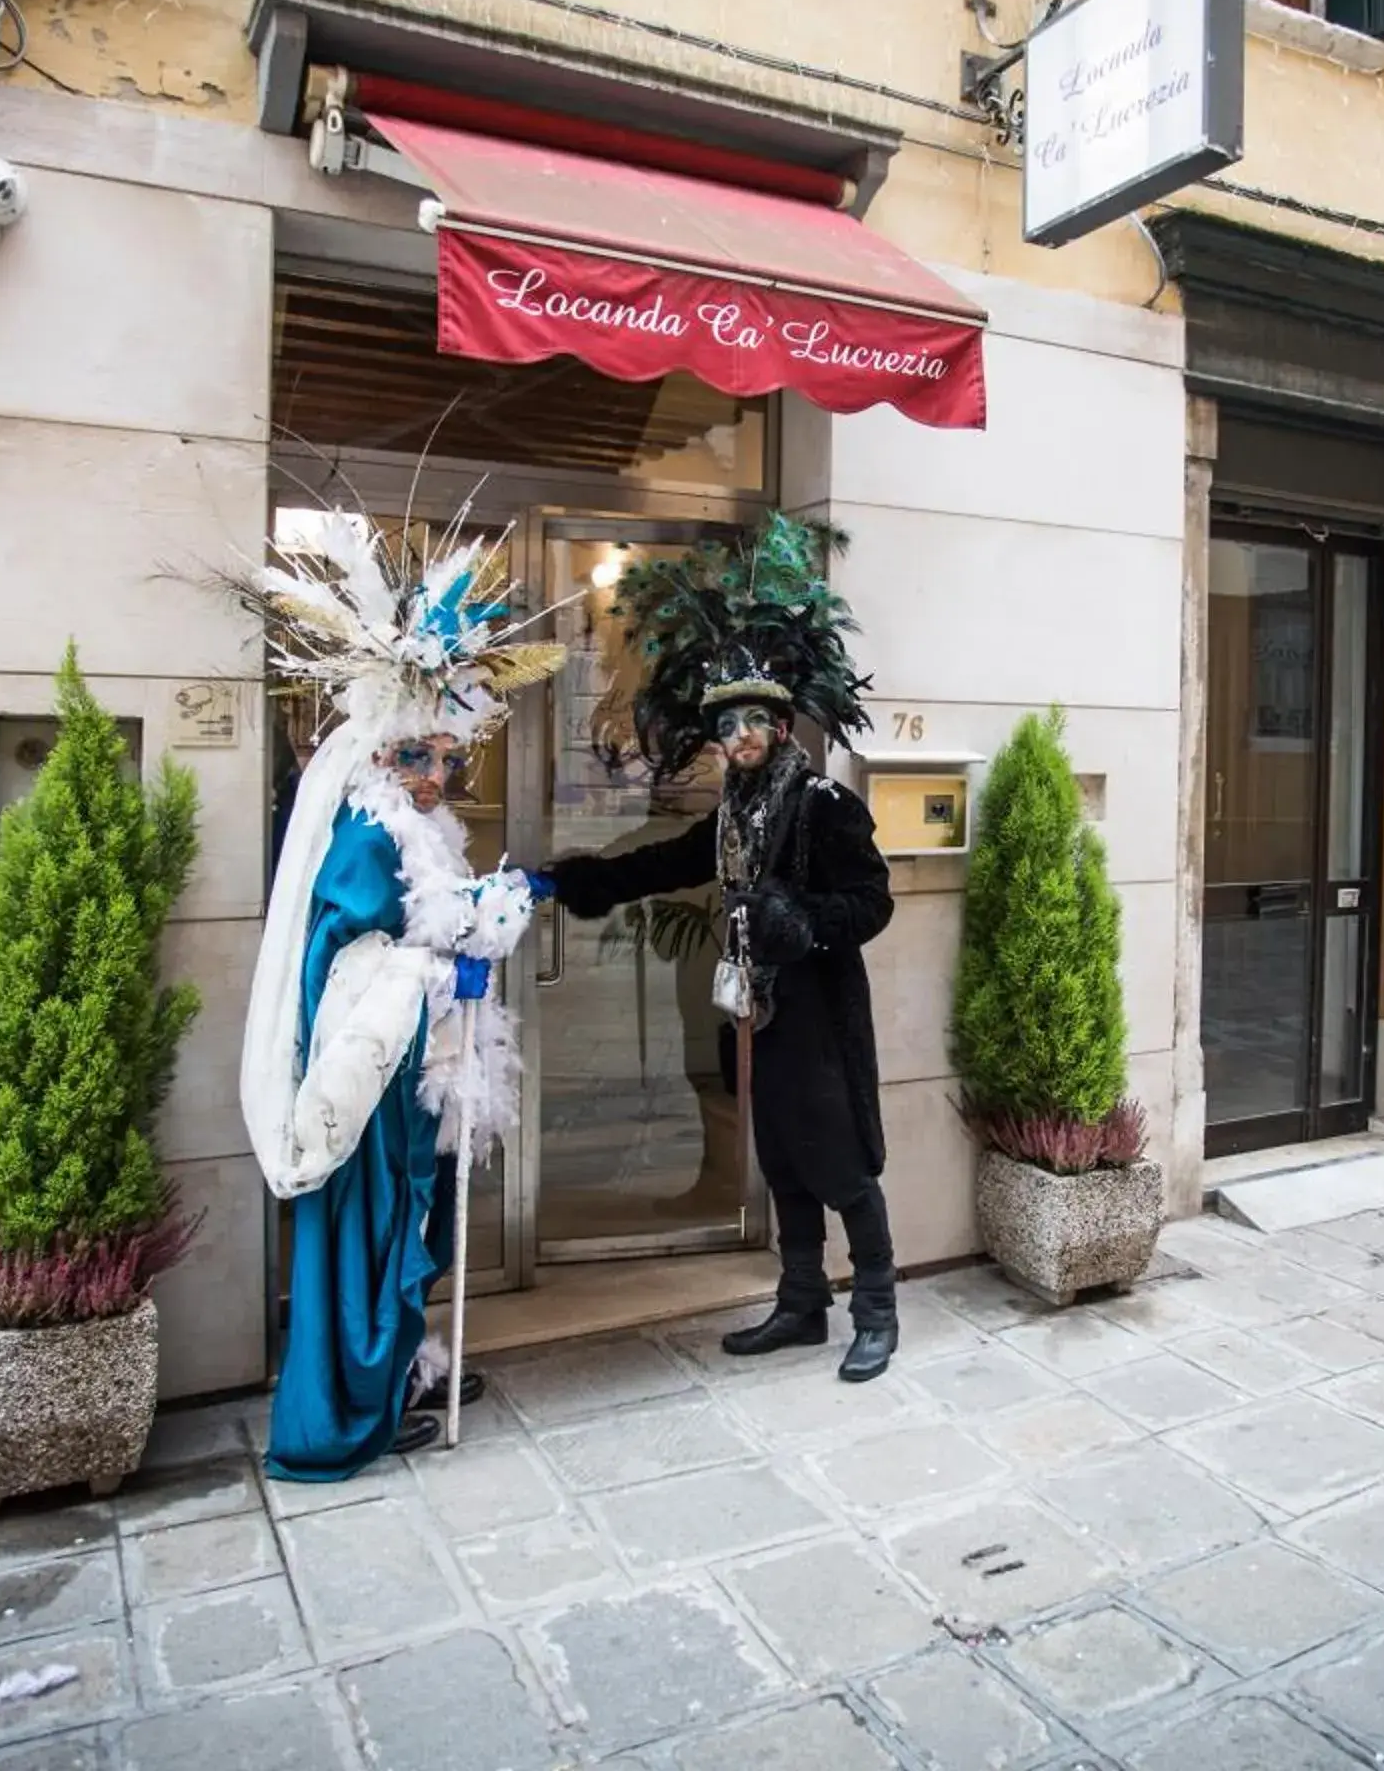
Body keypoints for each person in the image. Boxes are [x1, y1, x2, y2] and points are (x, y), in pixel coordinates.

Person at [236, 512, 559, 1477]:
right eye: (418, 758)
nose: (437, 775)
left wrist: (479, 913)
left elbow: (435, 916)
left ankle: (406, 1369)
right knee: (374, 1230)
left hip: (415, 1071)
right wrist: (449, 959)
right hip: (373, 1083)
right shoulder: (367, 840)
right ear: (379, 756)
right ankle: (346, 1413)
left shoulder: (428, 834)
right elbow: (344, 962)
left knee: (412, 1223)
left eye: (449, 758)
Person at [544, 516, 901, 1381]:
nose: (737, 737)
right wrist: (578, 880)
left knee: (840, 1162)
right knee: (775, 1152)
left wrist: (805, 922)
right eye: (726, 726)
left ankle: (878, 1311)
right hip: (752, 1009)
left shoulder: (823, 806)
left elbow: (872, 901)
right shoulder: (732, 812)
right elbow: (671, 860)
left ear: (781, 726)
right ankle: (801, 1302)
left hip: (816, 1010)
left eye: (752, 722)